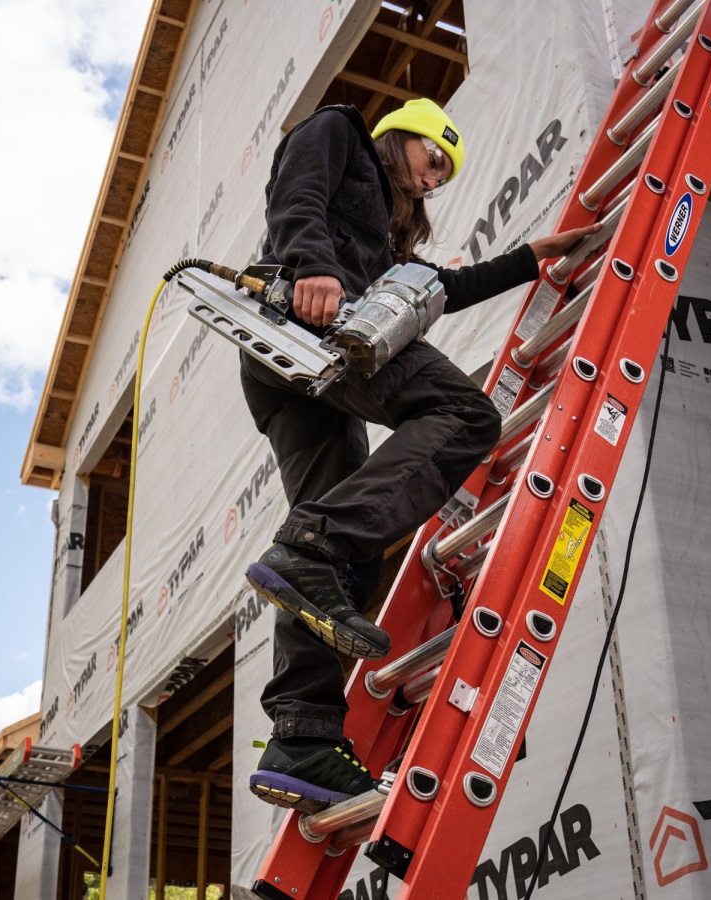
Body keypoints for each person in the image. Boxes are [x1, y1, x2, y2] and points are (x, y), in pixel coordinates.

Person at [240, 98, 597, 813]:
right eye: (434, 157)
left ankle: (302, 735)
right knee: (467, 416)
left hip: (295, 371)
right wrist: (313, 264)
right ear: (400, 135)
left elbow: (440, 290)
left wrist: (529, 259)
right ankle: (314, 547)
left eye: (448, 173)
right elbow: (297, 189)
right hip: (311, 326)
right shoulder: (340, 130)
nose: (437, 176)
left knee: (334, 558)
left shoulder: (386, 236)